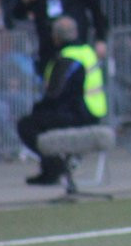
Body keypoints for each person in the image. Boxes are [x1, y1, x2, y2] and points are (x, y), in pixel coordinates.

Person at [16, 16, 106, 185]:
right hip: (93, 112)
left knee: (27, 125)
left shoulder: (67, 58)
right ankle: (54, 166)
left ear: (55, 37)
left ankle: (53, 167)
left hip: (78, 114)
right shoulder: (87, 51)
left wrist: (38, 109)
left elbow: (56, 94)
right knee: (43, 119)